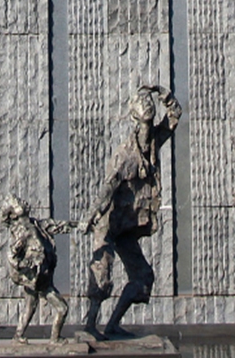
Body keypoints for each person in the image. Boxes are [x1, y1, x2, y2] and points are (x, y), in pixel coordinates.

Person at [79, 85, 181, 337]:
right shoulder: (124, 155)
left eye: (149, 103)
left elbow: (175, 115)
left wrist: (162, 93)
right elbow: (107, 187)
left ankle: (112, 325)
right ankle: (90, 326)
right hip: (109, 223)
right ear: (134, 118)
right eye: (141, 104)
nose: (147, 105)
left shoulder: (155, 141)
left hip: (128, 226)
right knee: (101, 278)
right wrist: (90, 216)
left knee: (144, 277)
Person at [0, 194, 78, 345]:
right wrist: (29, 265)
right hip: (38, 279)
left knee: (30, 305)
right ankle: (55, 339)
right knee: (62, 308)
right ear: (13, 213)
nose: (22, 201)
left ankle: (18, 336)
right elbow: (12, 256)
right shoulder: (22, 231)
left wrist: (77, 225)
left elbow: (56, 226)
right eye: (17, 202)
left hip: (42, 275)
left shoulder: (34, 224)